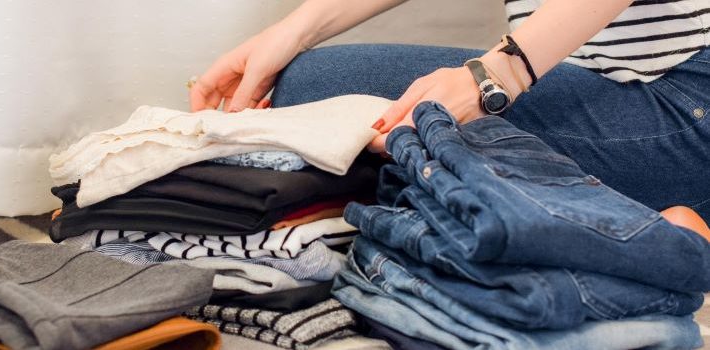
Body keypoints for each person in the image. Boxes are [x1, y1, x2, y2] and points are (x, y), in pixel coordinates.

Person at [188, 0, 710, 237]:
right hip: (592, 85)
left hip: (678, 102)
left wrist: (498, 76)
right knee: (303, 86)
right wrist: (291, 32)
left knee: (314, 91)